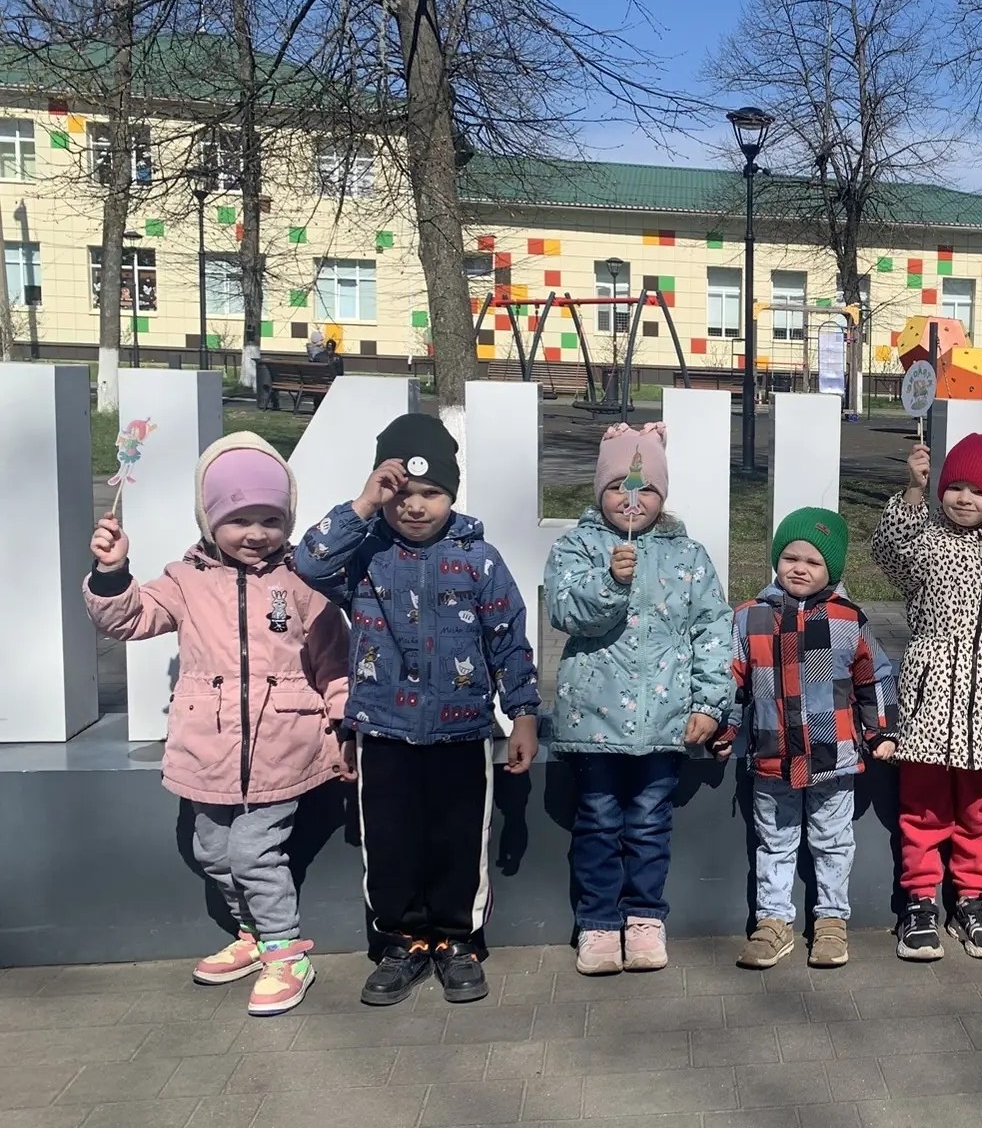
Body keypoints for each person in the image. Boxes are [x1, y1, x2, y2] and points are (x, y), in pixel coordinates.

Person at [84, 435, 347, 1016]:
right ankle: (252, 934)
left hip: (284, 746)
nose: (256, 533)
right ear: (209, 520)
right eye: (239, 519)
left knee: (253, 853)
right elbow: (128, 619)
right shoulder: (184, 580)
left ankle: (286, 952)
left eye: (271, 520)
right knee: (214, 853)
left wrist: (345, 726)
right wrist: (111, 572)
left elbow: (334, 662)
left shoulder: (302, 581)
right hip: (207, 749)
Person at [295, 413, 541, 1006]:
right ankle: (401, 941)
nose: (414, 506)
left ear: (452, 493)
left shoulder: (480, 559)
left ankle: (458, 941)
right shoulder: (364, 555)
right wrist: (363, 504)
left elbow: (508, 639)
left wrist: (524, 712)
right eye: (400, 492)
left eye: (431, 493)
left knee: (459, 840)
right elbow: (309, 563)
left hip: (463, 734)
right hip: (383, 731)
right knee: (389, 841)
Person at [544, 423, 731, 975]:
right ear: (600, 490)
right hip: (594, 721)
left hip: (665, 721)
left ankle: (645, 916)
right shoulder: (578, 546)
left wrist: (709, 703)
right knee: (598, 822)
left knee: (650, 824)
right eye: (618, 487)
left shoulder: (689, 555)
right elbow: (566, 612)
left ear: (663, 495)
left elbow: (714, 630)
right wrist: (610, 581)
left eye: (646, 488)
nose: (632, 500)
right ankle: (598, 921)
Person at [872, 435, 982, 962]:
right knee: (923, 808)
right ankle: (920, 901)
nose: (964, 498)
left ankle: (971, 899)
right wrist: (913, 491)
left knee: (977, 810)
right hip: (930, 699)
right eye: (956, 487)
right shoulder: (927, 542)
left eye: (978, 490)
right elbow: (888, 552)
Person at [723, 508, 897, 970]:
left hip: (833, 757)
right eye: (790, 558)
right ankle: (773, 922)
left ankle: (832, 920)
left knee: (833, 842)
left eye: (813, 562)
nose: (799, 568)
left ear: (832, 570)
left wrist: (881, 729)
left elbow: (874, 677)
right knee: (774, 842)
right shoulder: (748, 617)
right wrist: (724, 728)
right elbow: (730, 680)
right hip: (772, 756)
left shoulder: (849, 619)